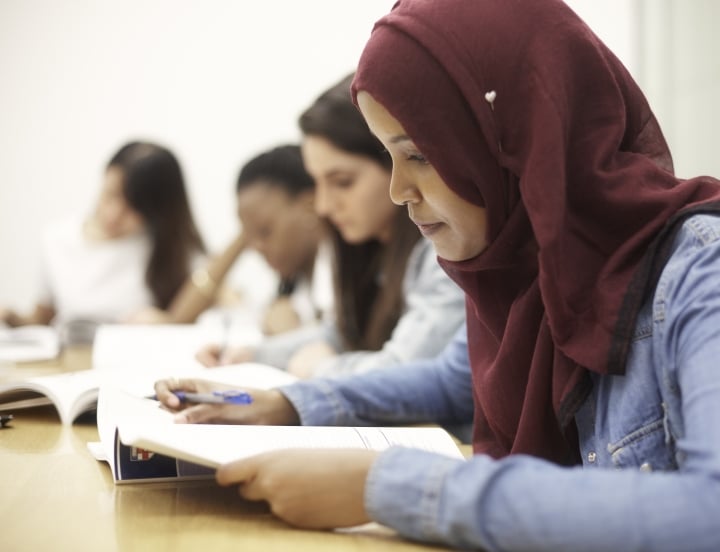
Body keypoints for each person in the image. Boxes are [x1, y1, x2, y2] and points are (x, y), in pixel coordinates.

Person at [155, 1, 720, 550]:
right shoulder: (526, 270)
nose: (400, 191)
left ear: (517, 141)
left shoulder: (701, 273)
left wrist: (382, 487)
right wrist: (286, 404)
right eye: (390, 158)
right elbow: (452, 379)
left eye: (420, 155)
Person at [196, 74, 466, 378]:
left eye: (342, 182)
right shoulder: (374, 252)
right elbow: (343, 333)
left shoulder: (441, 252)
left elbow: (406, 371)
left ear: (399, 164)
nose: (323, 206)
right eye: (318, 182)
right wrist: (252, 355)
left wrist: (321, 368)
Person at [0, 141, 205, 334]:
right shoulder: (57, 239)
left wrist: (166, 323)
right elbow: (42, 319)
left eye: (133, 207)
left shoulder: (169, 246)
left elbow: (219, 301)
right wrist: (9, 316)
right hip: (69, 364)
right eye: (111, 194)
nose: (114, 214)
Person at [130, 144, 331, 336]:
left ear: (310, 206)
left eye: (265, 231)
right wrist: (247, 232)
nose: (256, 247)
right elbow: (179, 318)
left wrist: (291, 338)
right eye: (247, 235)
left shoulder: (333, 276)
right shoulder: (291, 283)